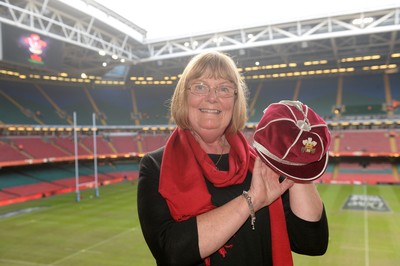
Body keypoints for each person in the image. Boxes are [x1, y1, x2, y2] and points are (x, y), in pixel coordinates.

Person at [137, 50, 329, 266]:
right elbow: (171, 251)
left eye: (224, 89)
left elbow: (312, 243)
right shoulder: (156, 166)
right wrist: (252, 200)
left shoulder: (261, 163)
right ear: (184, 96)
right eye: (200, 86)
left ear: (235, 101)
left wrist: (294, 154)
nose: (212, 97)